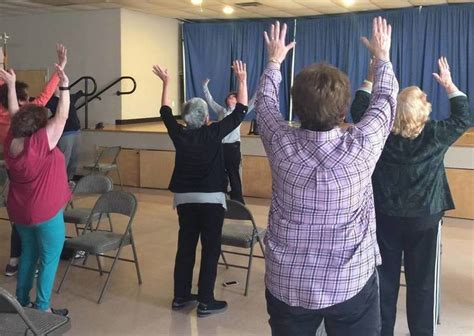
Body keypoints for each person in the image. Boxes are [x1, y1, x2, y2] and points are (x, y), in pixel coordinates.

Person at [255, 18, 398, 336]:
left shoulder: (280, 144)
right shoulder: (362, 147)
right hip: (350, 284)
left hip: (287, 283)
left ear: (295, 106)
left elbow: (264, 103)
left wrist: (274, 61)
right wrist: (382, 59)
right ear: (344, 109)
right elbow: (386, 102)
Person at [350, 57, 470, 336]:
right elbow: (464, 117)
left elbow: (358, 109)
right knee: (422, 282)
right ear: (424, 111)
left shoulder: (379, 134)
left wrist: (370, 77)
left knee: (385, 279)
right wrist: (449, 85)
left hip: (386, 217)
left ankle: (382, 331)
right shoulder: (436, 134)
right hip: (425, 219)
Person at [153, 60, 247, 317]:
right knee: (210, 248)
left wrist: (167, 83)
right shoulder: (214, 133)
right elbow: (241, 111)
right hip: (212, 200)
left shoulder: (179, 133)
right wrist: (242, 80)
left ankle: (180, 297)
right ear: (207, 118)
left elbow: (163, 111)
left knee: (185, 245)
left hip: (184, 199)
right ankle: (206, 300)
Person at [0, 44, 71, 316]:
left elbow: (17, 114)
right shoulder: (40, 143)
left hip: (20, 212)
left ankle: (19, 301)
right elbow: (62, 116)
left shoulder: (11, 141)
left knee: (28, 254)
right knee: (49, 258)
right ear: (39, 127)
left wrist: (11, 86)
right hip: (45, 212)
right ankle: (42, 308)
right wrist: (64, 87)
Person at [202, 79, 256, 204]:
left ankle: (238, 200)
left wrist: (260, 88)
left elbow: (253, 101)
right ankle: (222, 197)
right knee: (220, 172)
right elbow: (210, 101)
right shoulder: (221, 111)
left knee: (233, 173)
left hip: (233, 147)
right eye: (229, 98)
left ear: (238, 101)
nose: (230, 99)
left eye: (233, 98)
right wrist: (205, 86)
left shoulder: (239, 113)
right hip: (220, 147)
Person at [46, 88, 85, 181]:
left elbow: (77, 95)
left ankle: (69, 180)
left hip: (76, 131)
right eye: (56, 86)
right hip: (66, 133)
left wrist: (81, 92)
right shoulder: (52, 100)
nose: (59, 87)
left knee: (74, 158)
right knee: (65, 158)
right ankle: (60, 180)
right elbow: (39, 101)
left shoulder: (68, 97)